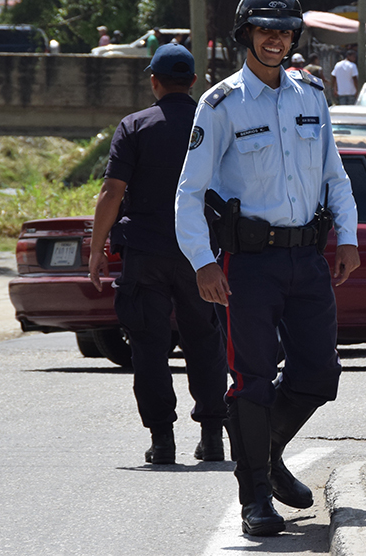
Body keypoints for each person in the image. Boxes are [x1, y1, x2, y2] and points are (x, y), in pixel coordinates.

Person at [175, 0, 361, 537]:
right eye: (265, 29)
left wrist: (347, 236)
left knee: (320, 374)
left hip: (307, 258)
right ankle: (255, 495)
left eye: (284, 30)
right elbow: (189, 192)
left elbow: (335, 175)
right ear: (246, 35)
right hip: (247, 267)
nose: (276, 39)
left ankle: (268, 452)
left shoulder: (311, 96)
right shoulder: (220, 104)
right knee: (252, 379)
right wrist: (203, 262)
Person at [88, 43, 228, 466]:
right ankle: (212, 437)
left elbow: (112, 191)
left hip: (145, 254)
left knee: (148, 346)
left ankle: (163, 441)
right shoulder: (213, 124)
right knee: (205, 343)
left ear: (154, 81)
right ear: (193, 82)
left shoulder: (134, 126)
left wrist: (96, 248)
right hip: (198, 255)